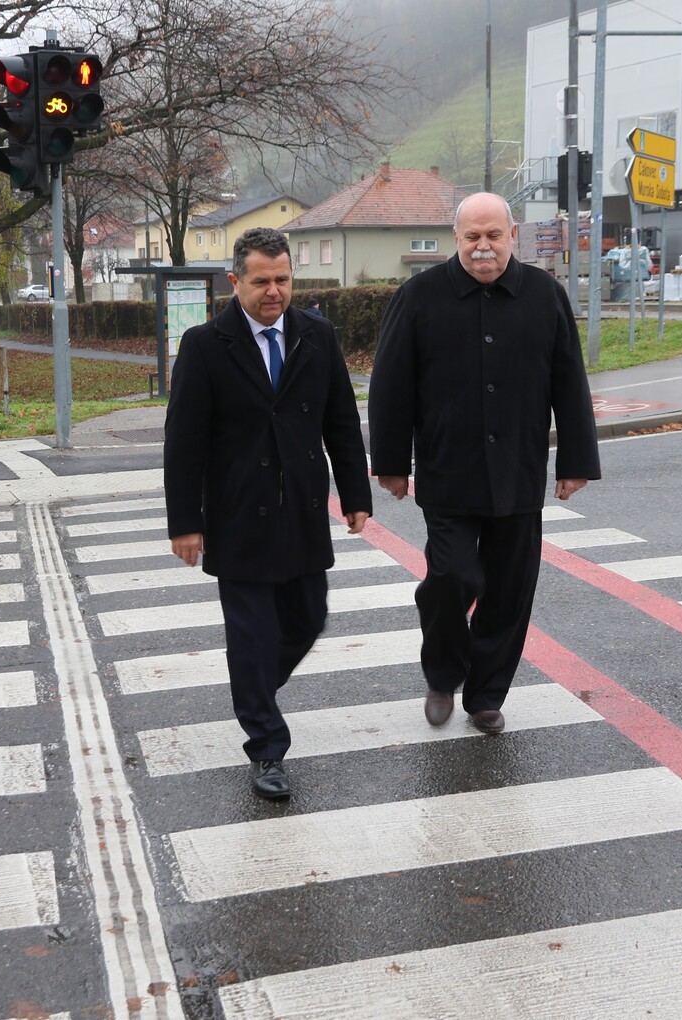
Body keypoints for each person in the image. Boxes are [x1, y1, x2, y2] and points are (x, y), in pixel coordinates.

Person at [367, 192, 601, 735]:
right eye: (472, 236)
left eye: (493, 235)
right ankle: (442, 675)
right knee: (452, 577)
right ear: (456, 238)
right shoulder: (420, 296)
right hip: (448, 469)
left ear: (512, 235)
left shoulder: (544, 295)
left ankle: (486, 695)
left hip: (519, 470)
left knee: (509, 590)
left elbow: (569, 382)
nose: (482, 246)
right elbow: (391, 384)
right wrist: (391, 462)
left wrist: (575, 462)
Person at [164, 227, 372, 799]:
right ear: (236, 282)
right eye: (261, 281)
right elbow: (183, 442)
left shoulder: (317, 336)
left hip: (302, 511)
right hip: (236, 516)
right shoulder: (205, 345)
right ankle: (266, 748)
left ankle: (253, 689)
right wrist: (185, 522)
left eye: (282, 279)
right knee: (253, 636)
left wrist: (356, 495)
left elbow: (340, 422)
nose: (274, 291)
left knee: (307, 619)